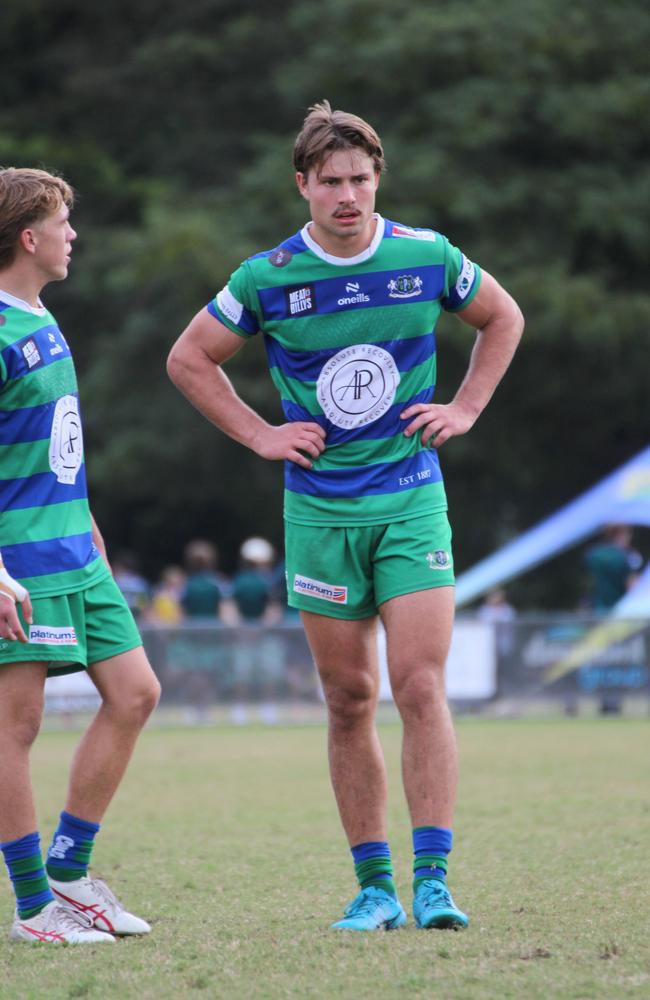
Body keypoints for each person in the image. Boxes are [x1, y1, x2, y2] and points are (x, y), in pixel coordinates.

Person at [167, 102, 524, 932]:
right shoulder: (267, 277)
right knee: (349, 697)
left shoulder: (425, 255)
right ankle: (374, 888)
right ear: (304, 184)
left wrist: (465, 409)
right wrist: (260, 433)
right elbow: (189, 358)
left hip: (410, 500)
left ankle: (433, 881)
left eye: (361, 179)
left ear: (377, 181)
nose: (349, 196)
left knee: (421, 686)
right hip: (321, 513)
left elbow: (502, 317)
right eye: (331, 182)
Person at [0, 168, 161, 943]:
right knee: (13, 728)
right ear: (28, 237)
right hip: (18, 559)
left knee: (135, 692)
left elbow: (49, 445)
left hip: (75, 548)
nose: (74, 236)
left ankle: (70, 871)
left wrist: (90, 521)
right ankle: (35, 909)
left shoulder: (41, 315)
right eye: (64, 223)